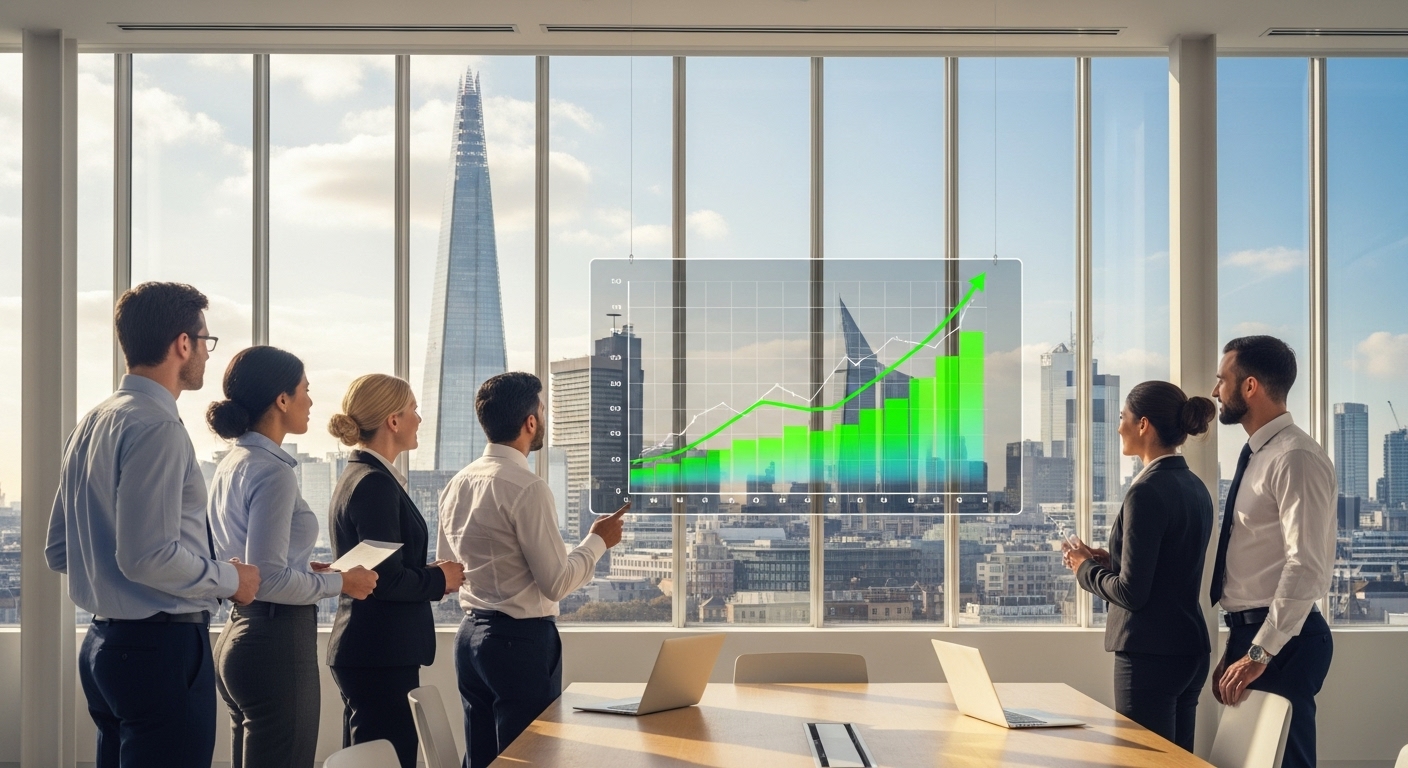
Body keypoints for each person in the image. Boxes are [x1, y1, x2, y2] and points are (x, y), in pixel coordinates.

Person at [44, 282, 262, 768]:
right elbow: (147, 556)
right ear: (182, 343)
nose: (206, 353)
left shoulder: (93, 421)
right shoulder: (158, 426)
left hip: (103, 648)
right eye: (205, 341)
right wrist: (232, 578)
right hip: (159, 650)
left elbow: (59, 551)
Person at [438, 371, 629, 768]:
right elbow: (556, 582)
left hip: (470, 638)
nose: (543, 417)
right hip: (518, 643)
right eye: (542, 410)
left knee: (483, 759)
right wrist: (598, 542)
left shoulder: (456, 483)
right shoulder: (527, 487)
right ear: (530, 422)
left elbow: (449, 569)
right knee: (530, 758)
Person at [206, 346, 379, 768]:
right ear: (282, 400)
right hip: (275, 644)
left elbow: (253, 564)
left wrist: (305, 569)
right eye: (305, 389)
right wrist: (343, 582)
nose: (311, 401)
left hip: (238, 637)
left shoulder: (232, 463)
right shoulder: (272, 471)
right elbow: (267, 579)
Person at [1063, 381, 1216, 752]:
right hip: (1189, 649)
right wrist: (1110, 559)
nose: (1118, 427)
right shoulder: (1195, 486)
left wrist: (1085, 568)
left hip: (1150, 655)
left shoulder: (1146, 491)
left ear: (1143, 424)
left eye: (1122, 418)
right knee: (1179, 761)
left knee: (1143, 761)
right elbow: (1170, 565)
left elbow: (1133, 592)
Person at [326, 373, 466, 768]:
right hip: (379, 651)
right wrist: (442, 579)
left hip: (371, 649)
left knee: (369, 755)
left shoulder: (360, 475)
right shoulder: (374, 484)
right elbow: (385, 581)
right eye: (413, 410)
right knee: (388, 757)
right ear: (393, 421)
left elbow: (381, 567)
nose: (419, 418)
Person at [1210, 336, 1335, 768]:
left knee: (1286, 762)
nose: (1214, 390)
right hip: (1256, 632)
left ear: (1249, 387)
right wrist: (1238, 643)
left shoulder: (1295, 457)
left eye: (1222, 379)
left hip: (1287, 639)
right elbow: (1258, 561)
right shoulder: (1260, 456)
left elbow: (1307, 565)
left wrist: (1261, 650)